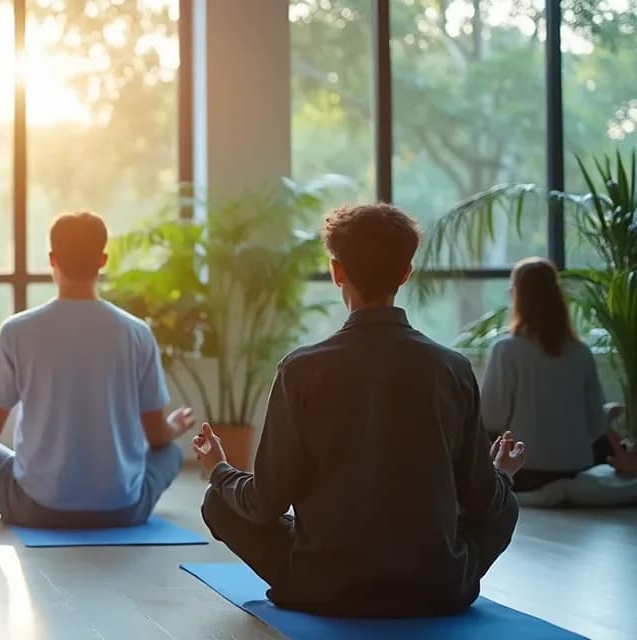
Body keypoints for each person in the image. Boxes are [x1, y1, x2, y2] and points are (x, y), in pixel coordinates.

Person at [194, 203, 527, 617]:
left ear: (337, 272)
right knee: (505, 503)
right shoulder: (452, 368)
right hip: (436, 585)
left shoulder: (301, 369)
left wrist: (220, 470)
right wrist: (504, 476)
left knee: (217, 502)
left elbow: (265, 503)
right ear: (406, 273)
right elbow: (482, 499)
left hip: (324, 585)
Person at [0, 211, 196, 529]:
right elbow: (157, 437)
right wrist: (174, 426)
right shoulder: (136, 333)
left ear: (52, 259)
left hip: (34, 508)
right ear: (103, 260)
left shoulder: (17, 330)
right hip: (123, 509)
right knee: (169, 452)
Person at [482, 257, 635, 492]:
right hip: (576, 466)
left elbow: (491, 417)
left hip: (522, 471)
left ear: (517, 296)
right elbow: (596, 422)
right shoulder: (580, 351)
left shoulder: (505, 350)